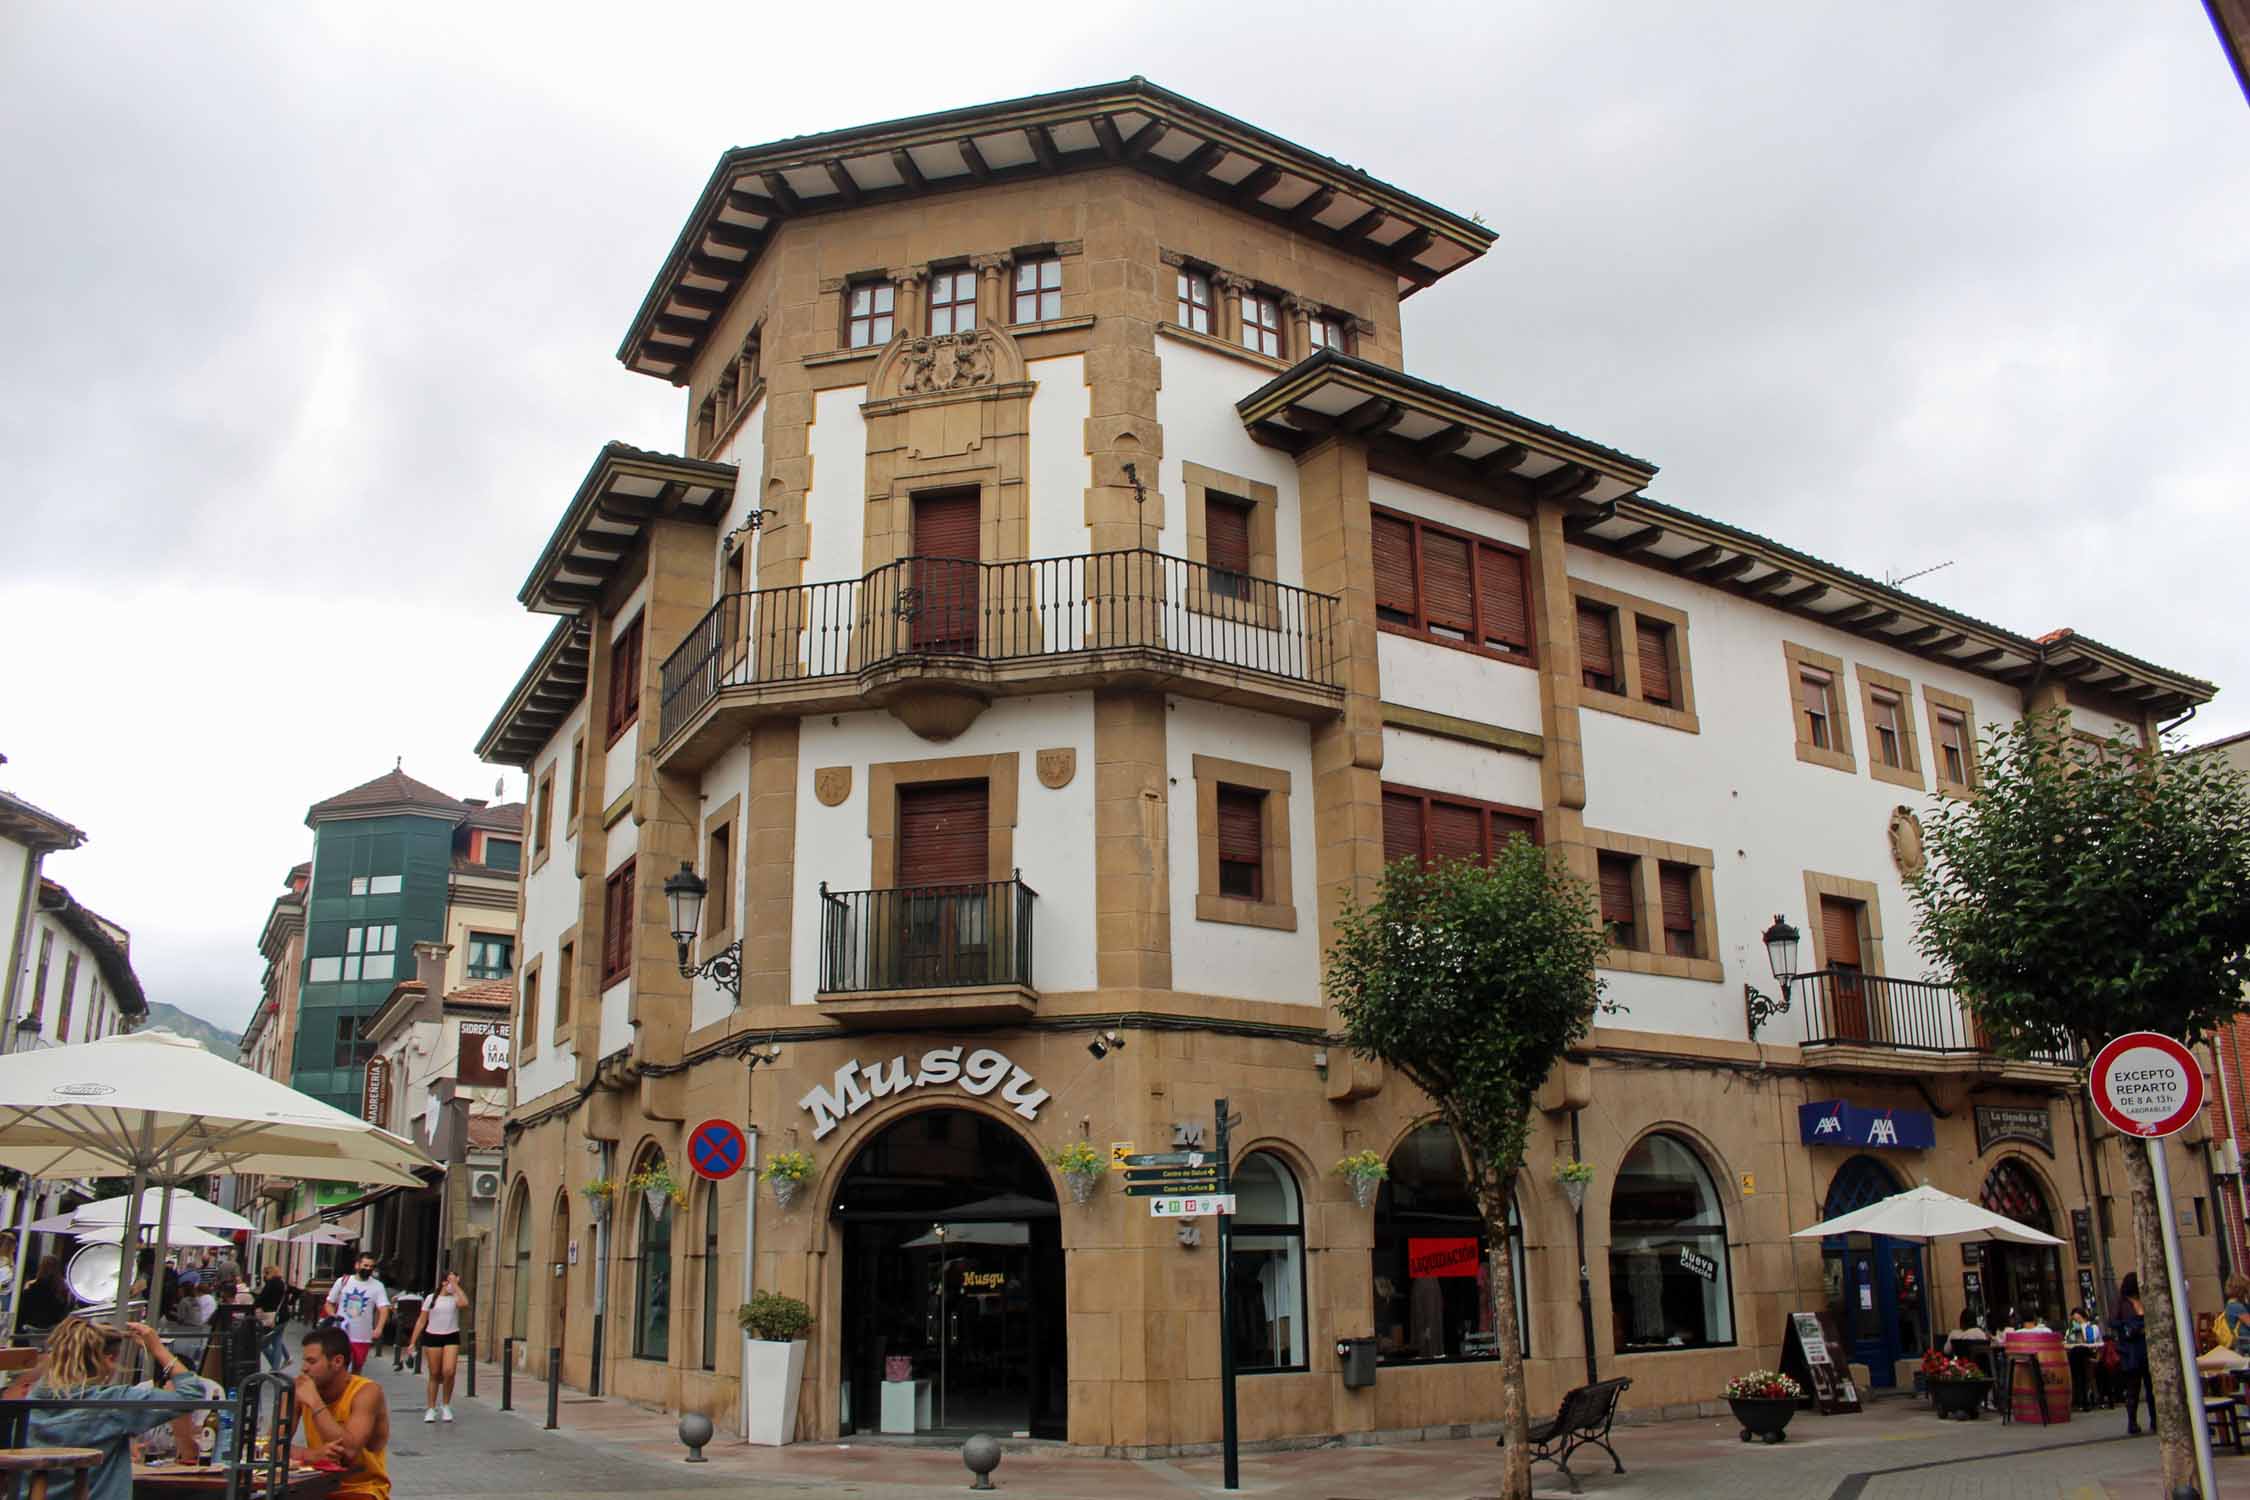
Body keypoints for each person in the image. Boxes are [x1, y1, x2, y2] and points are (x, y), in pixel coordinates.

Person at [18, 1317, 223, 1500]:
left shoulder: (30, 1401)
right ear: (110, 1360)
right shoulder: (113, 1403)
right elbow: (191, 1394)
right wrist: (157, 1348)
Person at [293, 1325, 391, 1500]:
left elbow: (348, 1451)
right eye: (304, 1361)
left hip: (362, 1489)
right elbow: (271, 1447)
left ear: (337, 1362)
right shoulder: (300, 1390)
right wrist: (314, 1455)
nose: (304, 1369)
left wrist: (315, 1402)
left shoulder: (367, 1392)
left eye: (312, 1361)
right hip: (314, 1486)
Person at [407, 1270, 467, 1423]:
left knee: (449, 1371)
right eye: (449, 1281)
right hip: (432, 1336)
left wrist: (455, 1285)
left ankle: (446, 1405)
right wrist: (412, 1342)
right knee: (434, 1373)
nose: (452, 1285)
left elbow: (464, 1303)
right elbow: (421, 1320)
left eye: (455, 1281)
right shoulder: (430, 1299)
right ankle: (431, 1408)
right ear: (442, 1282)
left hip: (451, 1336)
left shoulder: (455, 1298)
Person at [323, 1253, 391, 1373]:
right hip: (341, 1333)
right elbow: (329, 1303)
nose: (368, 1269)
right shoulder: (342, 1281)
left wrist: (379, 1328)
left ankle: (352, 1390)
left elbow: (384, 1308)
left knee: (356, 1368)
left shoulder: (378, 1286)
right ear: (357, 1265)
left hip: (362, 1336)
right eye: (365, 1265)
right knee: (338, 1368)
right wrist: (333, 1316)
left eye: (371, 1267)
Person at [2113, 1272, 2153, 1435]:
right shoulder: (2122, 1303)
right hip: (2131, 1349)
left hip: (2145, 1347)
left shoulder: (2145, 1300)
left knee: (2151, 1387)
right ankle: (2132, 1421)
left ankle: (2155, 1419)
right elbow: (2113, 1322)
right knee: (2133, 1388)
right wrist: (2128, 1327)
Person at [19, 1254, 73, 1331]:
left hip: (33, 1326)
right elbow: (66, 1308)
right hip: (54, 1327)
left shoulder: (31, 1285)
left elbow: (24, 1307)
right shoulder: (63, 1287)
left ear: (41, 1267)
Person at [256, 1266, 294, 1371]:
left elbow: (262, 1298)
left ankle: (275, 1367)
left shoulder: (271, 1283)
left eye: (265, 1273)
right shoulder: (282, 1283)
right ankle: (282, 1362)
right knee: (277, 1339)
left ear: (270, 1273)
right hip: (283, 1316)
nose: (264, 1276)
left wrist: (255, 1304)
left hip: (274, 1317)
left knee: (263, 1343)